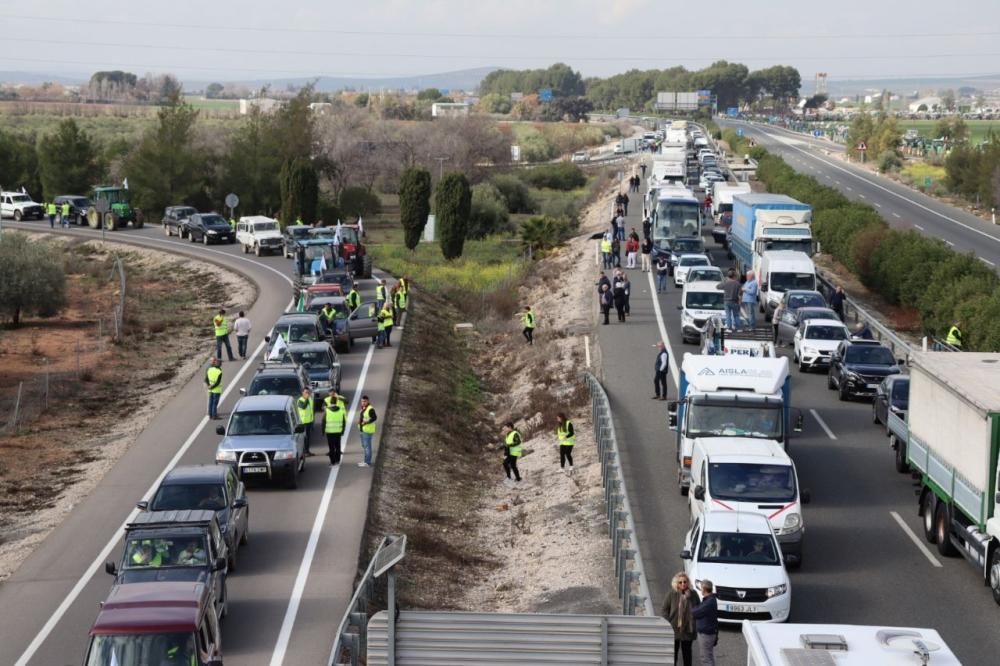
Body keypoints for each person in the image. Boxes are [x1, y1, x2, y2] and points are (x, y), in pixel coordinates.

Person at [662, 572, 699, 666]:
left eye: (685, 581)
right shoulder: (672, 594)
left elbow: (699, 608)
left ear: (688, 582)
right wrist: (668, 623)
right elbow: (665, 610)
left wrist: (695, 621)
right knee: (673, 655)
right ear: (676, 583)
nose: (683, 584)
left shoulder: (693, 594)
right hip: (674, 629)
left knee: (687, 654)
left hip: (688, 629)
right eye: (680, 582)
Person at [693, 580, 719, 666]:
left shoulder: (709, 602)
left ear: (704, 589)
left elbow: (696, 613)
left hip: (706, 634)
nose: (700, 590)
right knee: (709, 657)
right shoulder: (710, 600)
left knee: (706, 659)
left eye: (701, 588)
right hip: (709, 633)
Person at [324, 397, 347, 465]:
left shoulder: (327, 410)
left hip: (329, 432)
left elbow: (323, 421)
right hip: (338, 431)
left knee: (331, 447)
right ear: (336, 402)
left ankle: (332, 461)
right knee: (338, 446)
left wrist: (323, 431)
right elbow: (343, 422)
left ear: (330, 403)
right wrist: (343, 431)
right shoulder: (340, 410)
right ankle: (338, 460)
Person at [358, 395, 377, 467]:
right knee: (364, 445)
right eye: (362, 401)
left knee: (367, 446)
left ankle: (367, 462)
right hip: (363, 430)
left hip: (367, 430)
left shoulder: (370, 409)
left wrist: (366, 422)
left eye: (364, 401)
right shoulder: (364, 408)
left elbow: (374, 417)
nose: (363, 402)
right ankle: (366, 461)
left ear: (368, 401)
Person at [297, 388, 315, 456]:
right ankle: (303, 452)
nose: (307, 393)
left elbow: (311, 409)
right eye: (306, 392)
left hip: (309, 421)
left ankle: (307, 451)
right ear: (302, 393)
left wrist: (312, 420)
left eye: (308, 392)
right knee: (304, 438)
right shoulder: (300, 400)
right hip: (303, 422)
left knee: (308, 437)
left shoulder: (310, 399)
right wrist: (307, 399)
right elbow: (303, 407)